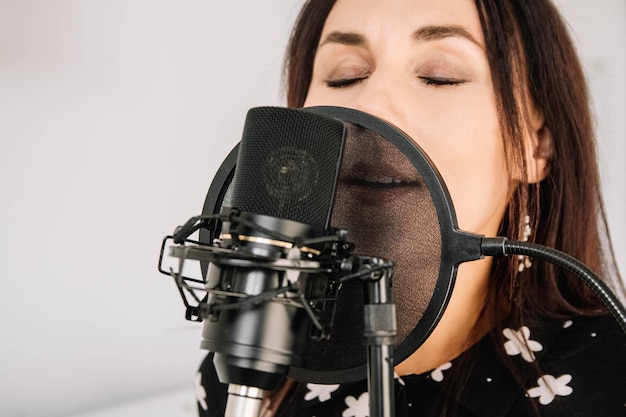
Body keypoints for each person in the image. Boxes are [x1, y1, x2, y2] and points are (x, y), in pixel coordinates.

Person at [196, 0, 626, 415]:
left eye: (441, 76)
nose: (370, 105)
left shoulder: (607, 386)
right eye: (344, 76)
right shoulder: (246, 368)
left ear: (536, 146)